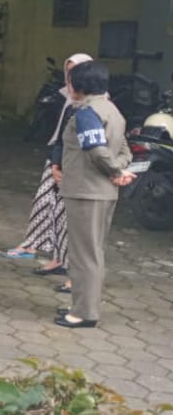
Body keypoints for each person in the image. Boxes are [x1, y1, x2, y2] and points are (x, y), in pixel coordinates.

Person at [54, 61, 135, 329]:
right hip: (104, 193)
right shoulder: (113, 111)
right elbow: (124, 149)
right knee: (94, 252)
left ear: (78, 86)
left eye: (70, 82)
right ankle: (81, 305)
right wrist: (119, 171)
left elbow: (96, 150)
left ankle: (84, 313)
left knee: (82, 255)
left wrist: (114, 170)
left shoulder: (87, 113)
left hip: (85, 191)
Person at [5, 53, 94, 277]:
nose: (69, 77)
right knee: (45, 202)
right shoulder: (67, 95)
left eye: (75, 72)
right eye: (68, 71)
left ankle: (62, 260)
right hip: (58, 157)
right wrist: (55, 160)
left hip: (71, 163)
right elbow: (61, 133)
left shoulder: (91, 103)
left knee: (65, 213)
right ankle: (39, 245)